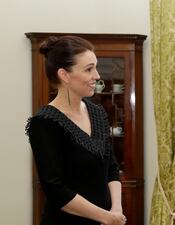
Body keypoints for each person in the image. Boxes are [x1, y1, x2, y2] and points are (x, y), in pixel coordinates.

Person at [25, 36, 126, 225]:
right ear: (64, 75)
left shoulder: (97, 112)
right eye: (89, 69)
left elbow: (111, 167)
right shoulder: (44, 123)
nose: (97, 75)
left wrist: (116, 209)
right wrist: (105, 216)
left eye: (95, 67)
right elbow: (55, 189)